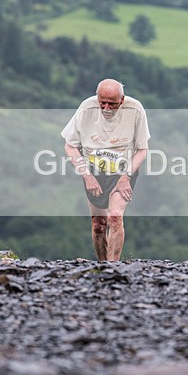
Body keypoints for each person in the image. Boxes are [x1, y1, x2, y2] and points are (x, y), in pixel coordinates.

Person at [62, 79, 150, 261]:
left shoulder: (135, 109)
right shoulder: (86, 108)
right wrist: (86, 175)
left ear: (122, 100)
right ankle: (102, 265)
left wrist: (126, 177)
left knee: (115, 217)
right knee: (98, 224)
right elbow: (70, 146)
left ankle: (113, 267)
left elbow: (142, 150)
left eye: (112, 103)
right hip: (93, 170)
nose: (107, 108)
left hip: (123, 170)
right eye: (103, 102)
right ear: (97, 97)